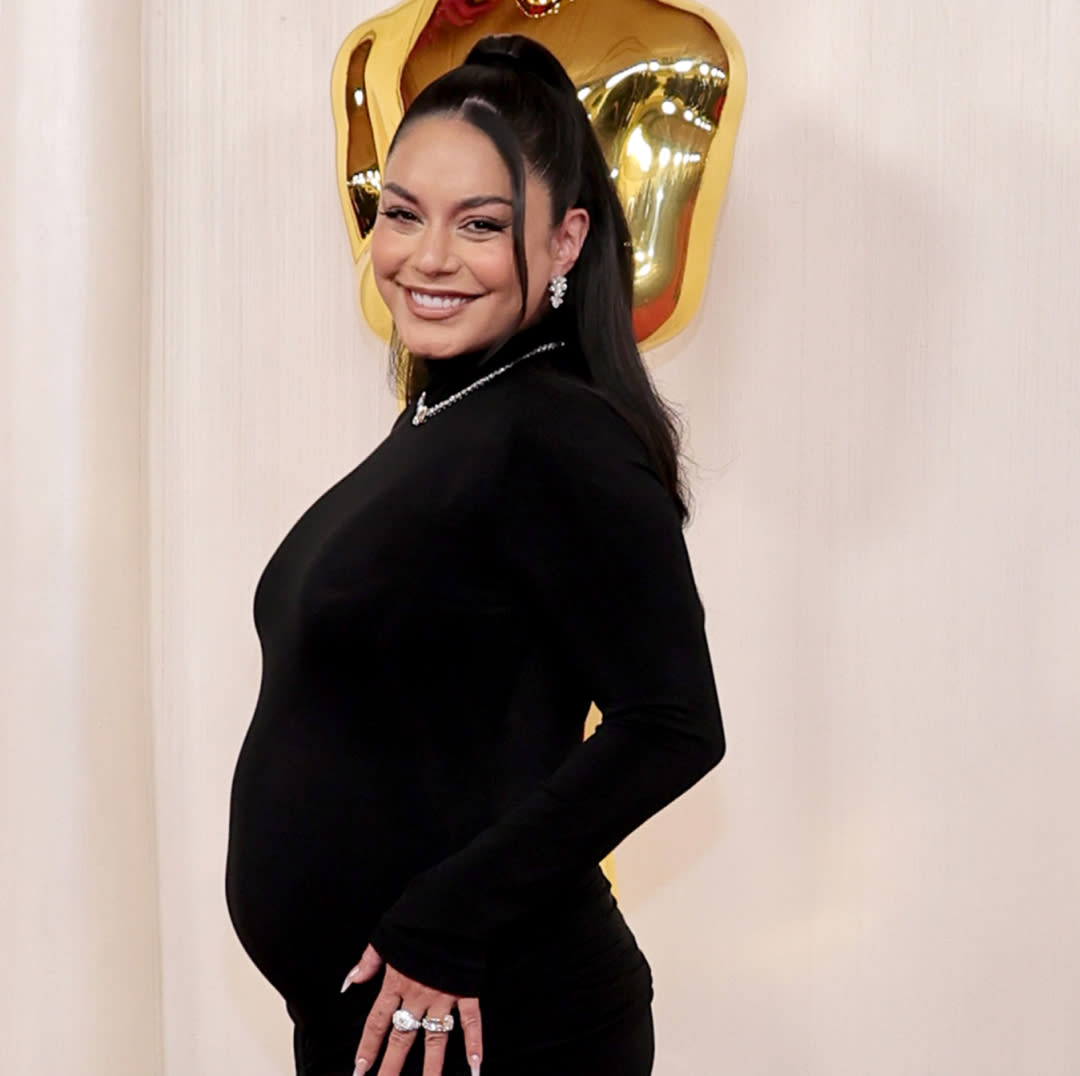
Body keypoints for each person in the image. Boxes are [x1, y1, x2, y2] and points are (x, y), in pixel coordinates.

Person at [225, 33, 726, 1076]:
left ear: (565, 239)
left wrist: (450, 915)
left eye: (481, 225)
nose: (427, 256)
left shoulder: (558, 432)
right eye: (402, 212)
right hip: (388, 1026)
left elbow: (673, 721)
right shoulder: (447, 412)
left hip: (499, 1020)